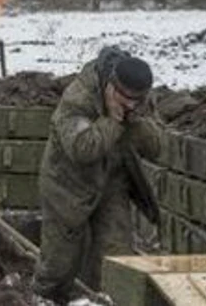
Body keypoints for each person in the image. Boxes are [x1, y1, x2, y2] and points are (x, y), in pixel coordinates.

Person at [33, 46, 162, 305]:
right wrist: (112, 122)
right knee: (59, 264)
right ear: (112, 86)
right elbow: (82, 150)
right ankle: (44, 298)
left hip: (112, 180)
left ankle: (103, 299)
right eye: (125, 99)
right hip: (67, 184)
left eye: (137, 100)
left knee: (116, 258)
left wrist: (136, 123)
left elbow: (156, 148)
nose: (131, 106)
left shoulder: (138, 100)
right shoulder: (78, 98)